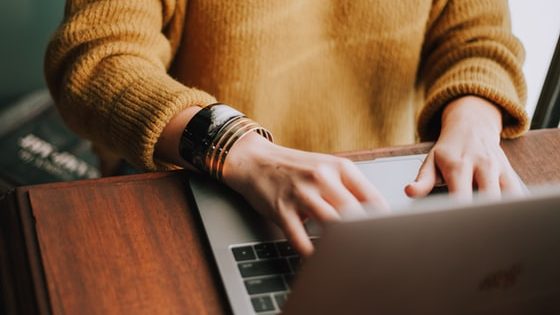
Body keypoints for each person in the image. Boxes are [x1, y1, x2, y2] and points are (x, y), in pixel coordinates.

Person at [44, 0, 529, 256]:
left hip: (384, 200)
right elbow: (96, 60)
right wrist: (238, 148)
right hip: (200, 187)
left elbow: (479, 38)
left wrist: (475, 116)